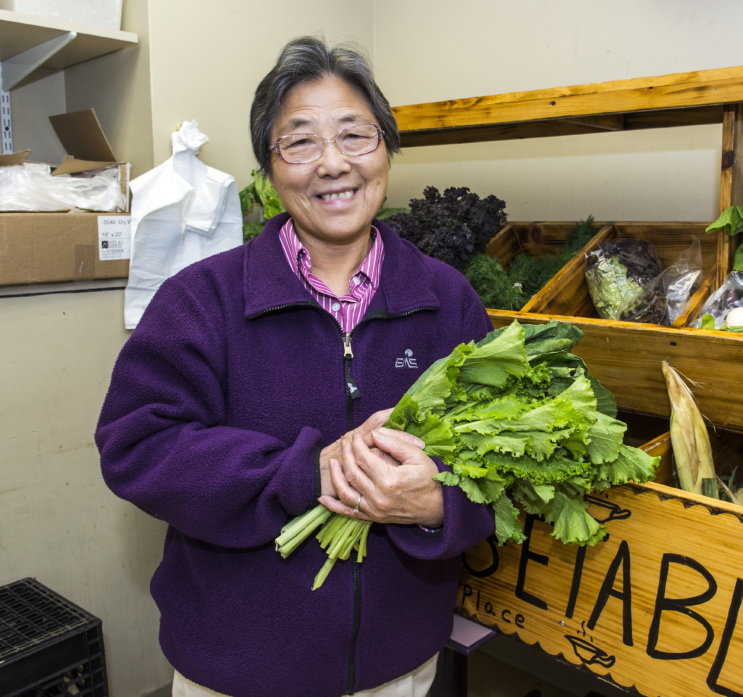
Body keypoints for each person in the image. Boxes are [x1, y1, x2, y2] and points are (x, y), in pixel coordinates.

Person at [95, 36, 495, 697]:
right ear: (271, 167)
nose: (333, 164)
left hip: (399, 668)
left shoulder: (448, 300)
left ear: (386, 150)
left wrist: (436, 502)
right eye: (300, 141)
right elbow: (138, 445)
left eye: (355, 136)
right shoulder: (200, 300)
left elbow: (498, 479)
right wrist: (308, 471)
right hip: (234, 670)